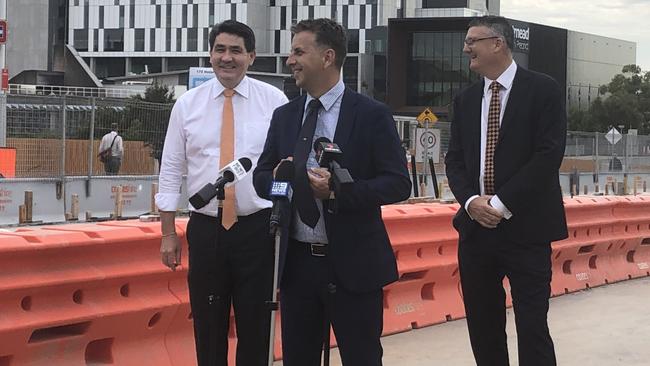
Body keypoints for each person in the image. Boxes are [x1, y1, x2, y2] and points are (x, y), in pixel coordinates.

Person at [253, 18, 411, 366]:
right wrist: (288, 179)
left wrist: (338, 192)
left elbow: (399, 183)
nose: (289, 60)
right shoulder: (284, 116)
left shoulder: (371, 115)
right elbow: (262, 178)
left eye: (298, 52)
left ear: (327, 57)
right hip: (298, 266)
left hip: (353, 266)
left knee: (362, 358)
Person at [156, 20, 288, 366]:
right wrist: (168, 233)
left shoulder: (274, 101)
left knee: (256, 327)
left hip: (257, 230)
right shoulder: (187, 105)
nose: (226, 58)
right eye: (220, 49)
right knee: (208, 324)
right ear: (210, 54)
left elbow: (286, 164)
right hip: (207, 229)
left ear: (251, 57)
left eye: (235, 51)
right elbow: (171, 169)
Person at [445, 16, 568, 366]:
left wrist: (499, 203)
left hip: (526, 231)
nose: (466, 48)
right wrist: (471, 202)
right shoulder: (466, 100)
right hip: (476, 232)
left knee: (532, 328)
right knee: (483, 329)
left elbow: (548, 156)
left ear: (497, 43)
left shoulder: (543, 89)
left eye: (472, 41)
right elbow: (454, 161)